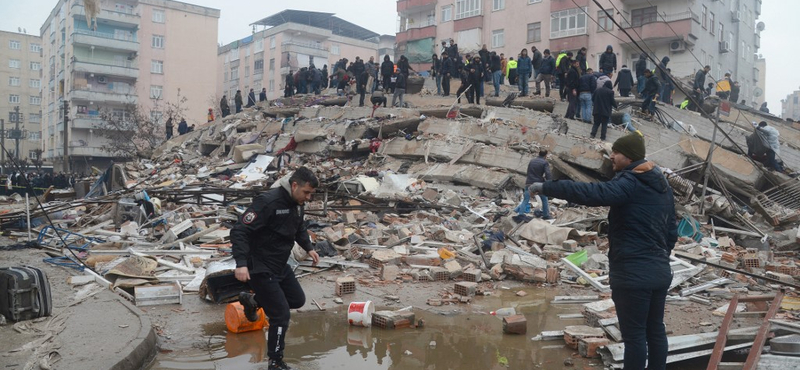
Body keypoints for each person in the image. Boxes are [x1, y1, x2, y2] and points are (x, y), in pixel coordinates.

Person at [529, 132, 676, 370]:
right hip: (659, 271)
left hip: (633, 272)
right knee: (655, 330)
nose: (612, 157)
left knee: (635, 336)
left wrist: (548, 187)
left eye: (616, 153)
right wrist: (658, 257)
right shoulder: (662, 186)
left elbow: (593, 194)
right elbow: (671, 231)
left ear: (629, 156)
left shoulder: (630, 182)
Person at [232, 167, 321, 370]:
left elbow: (298, 227)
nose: (308, 198)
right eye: (306, 192)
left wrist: (308, 248)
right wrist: (241, 264)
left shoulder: (298, 204)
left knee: (297, 300)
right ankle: (275, 362)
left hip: (280, 264)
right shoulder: (268, 202)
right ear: (294, 185)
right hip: (260, 266)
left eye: (311, 194)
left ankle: (252, 301)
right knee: (281, 315)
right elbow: (240, 230)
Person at [516, 150, 551, 219]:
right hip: (538, 184)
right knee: (544, 199)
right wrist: (549, 182)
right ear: (545, 155)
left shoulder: (532, 161)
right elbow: (548, 174)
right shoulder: (545, 162)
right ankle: (546, 215)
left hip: (529, 182)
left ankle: (520, 214)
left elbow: (528, 171)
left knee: (526, 199)